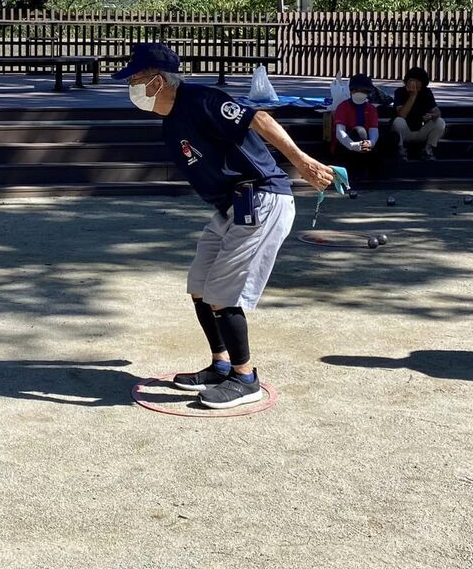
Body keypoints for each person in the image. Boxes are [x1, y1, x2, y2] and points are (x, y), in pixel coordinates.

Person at [113, 43, 334, 409]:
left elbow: (259, 119)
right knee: (200, 285)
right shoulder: (170, 123)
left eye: (135, 79)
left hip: (261, 198)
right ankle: (221, 364)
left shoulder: (203, 99)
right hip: (230, 206)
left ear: (158, 81)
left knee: (222, 293)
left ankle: (245, 379)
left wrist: (303, 162)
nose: (130, 87)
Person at [390, 66, 446, 160]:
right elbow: (402, 114)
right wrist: (413, 96)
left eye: (418, 81)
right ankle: (401, 149)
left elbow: (437, 112)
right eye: (412, 81)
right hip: (404, 132)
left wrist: (431, 116)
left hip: (420, 131)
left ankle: (428, 149)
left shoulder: (426, 92)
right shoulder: (400, 92)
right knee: (398, 121)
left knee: (440, 122)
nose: (415, 84)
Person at [331, 73, 381, 179]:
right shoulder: (343, 107)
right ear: (351, 91)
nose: (359, 93)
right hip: (345, 146)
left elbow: (374, 130)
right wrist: (352, 145)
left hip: (366, 145)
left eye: (363, 91)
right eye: (356, 90)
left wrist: (371, 143)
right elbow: (340, 132)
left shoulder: (371, 109)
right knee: (359, 131)